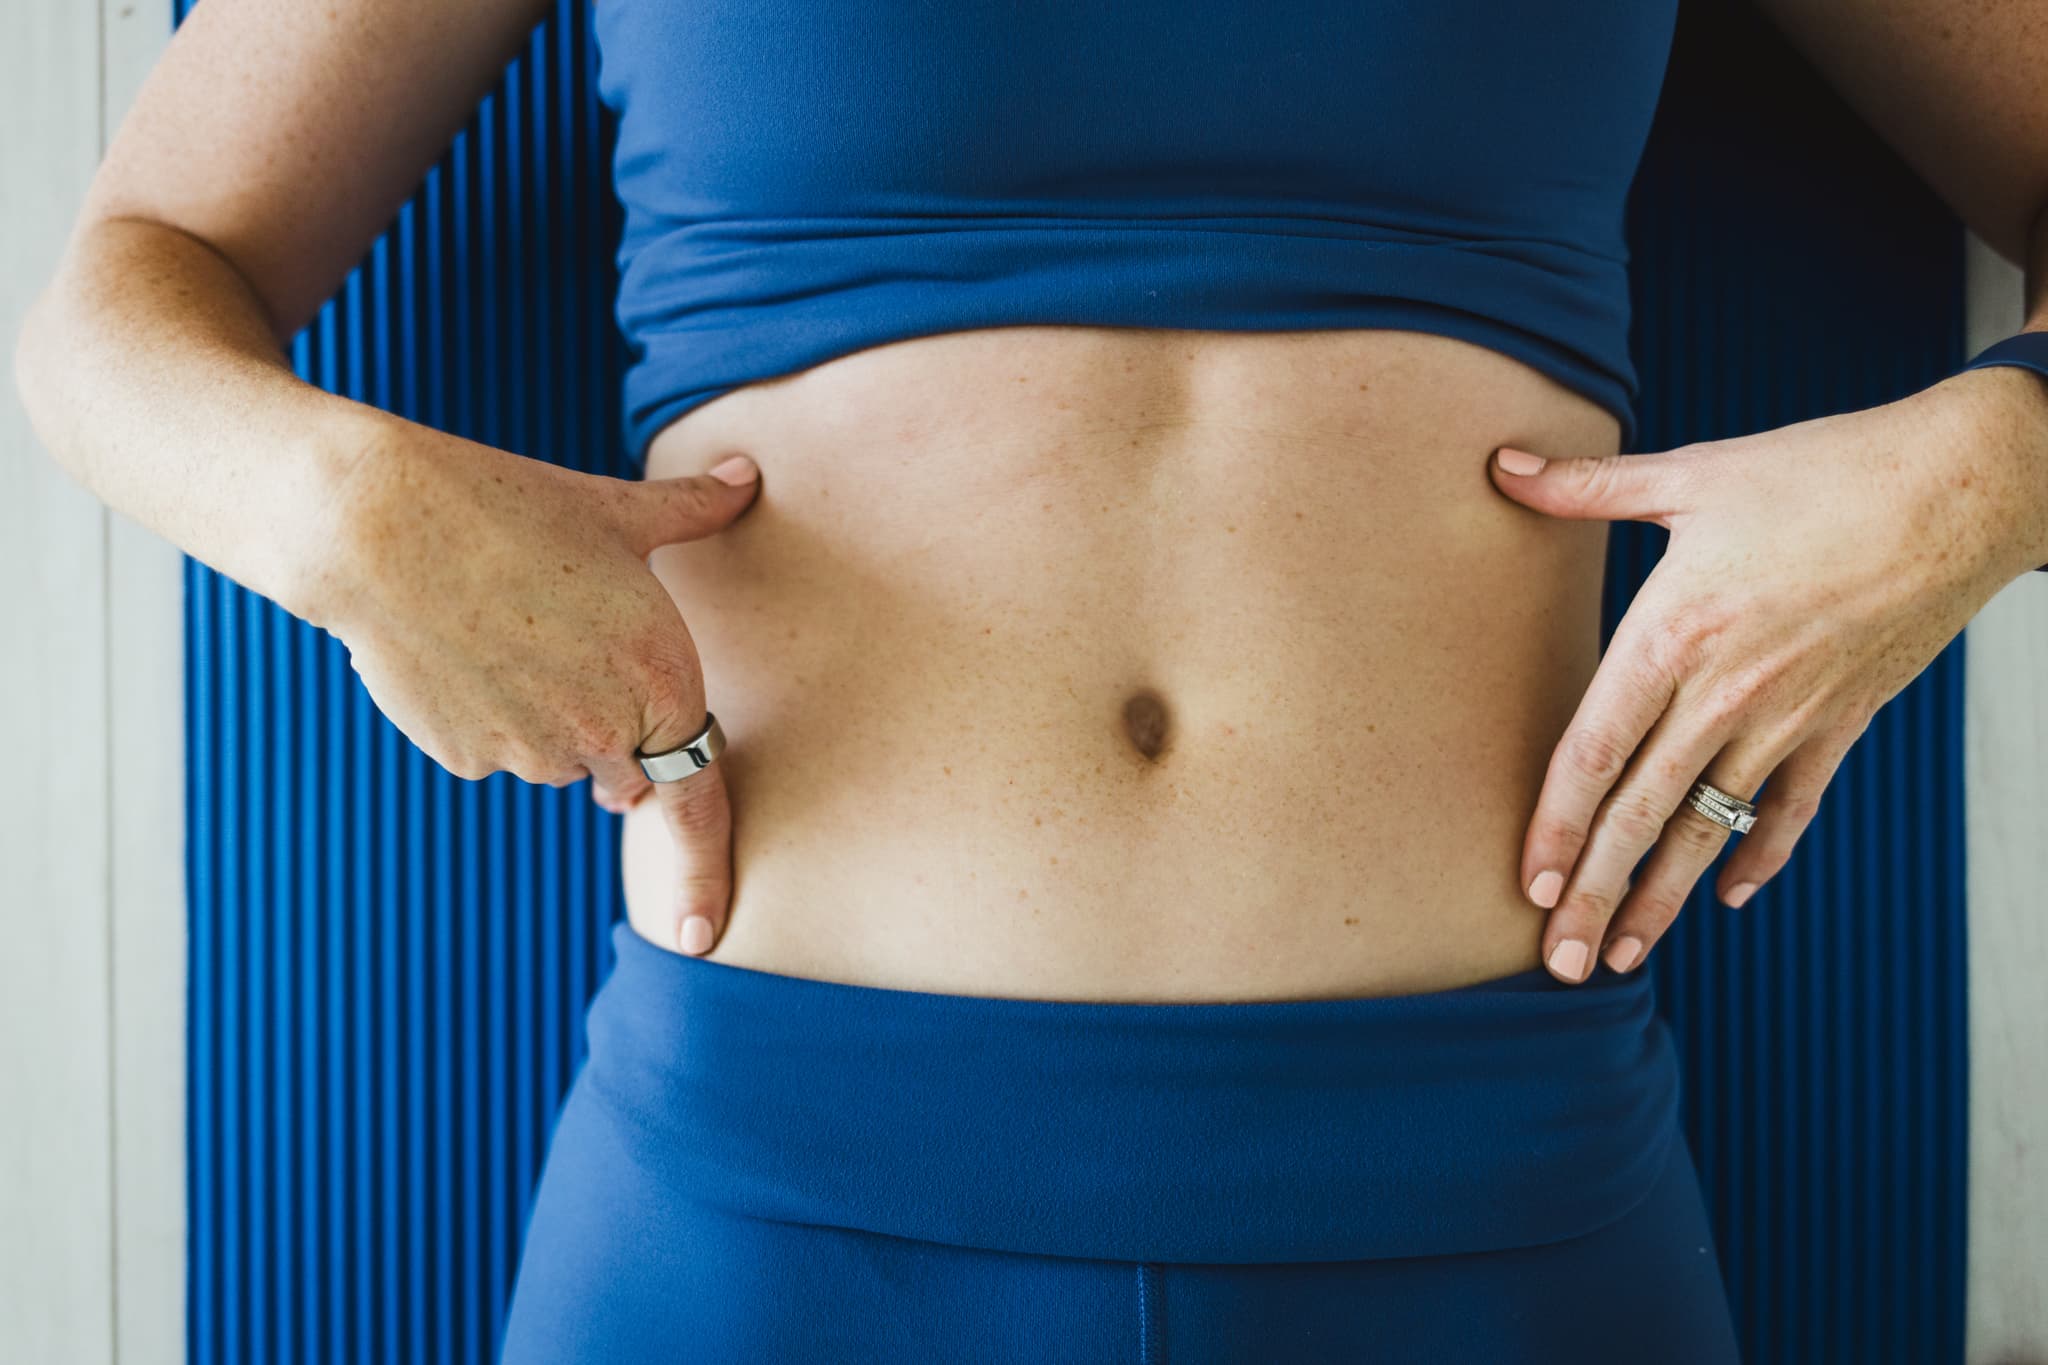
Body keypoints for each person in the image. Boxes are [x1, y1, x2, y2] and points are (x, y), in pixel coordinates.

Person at [16, 0, 2048, 1359]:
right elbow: (124, 295)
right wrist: (341, 503)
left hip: (1497, 1188)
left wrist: (1987, 468)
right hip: (767, 1199)